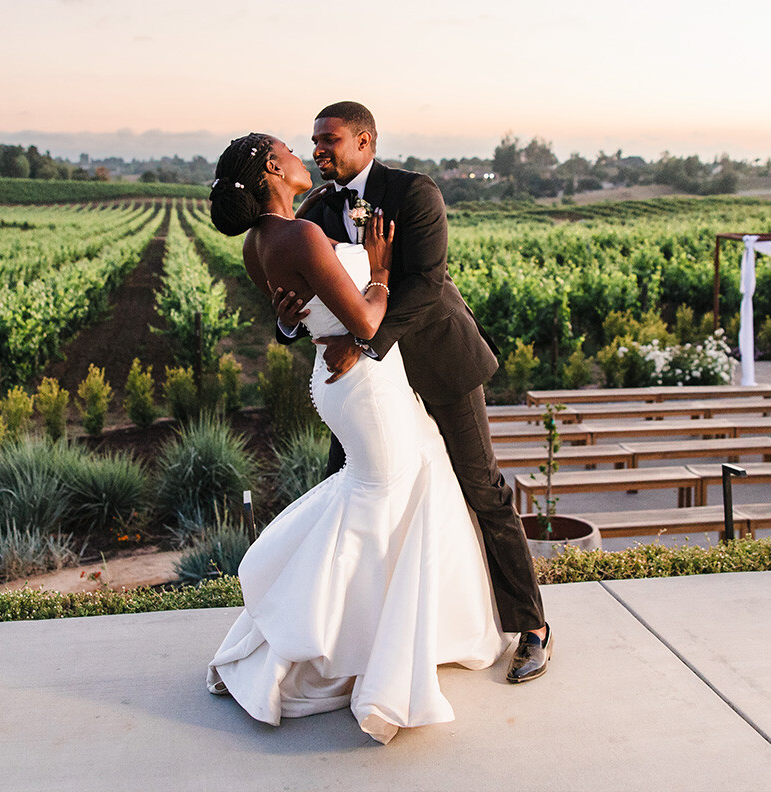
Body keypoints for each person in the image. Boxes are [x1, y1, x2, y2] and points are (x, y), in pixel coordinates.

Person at [204, 132, 507, 744]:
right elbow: (366, 320)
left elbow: (297, 313)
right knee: (386, 496)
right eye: (291, 149)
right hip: (364, 380)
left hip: (342, 377)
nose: (302, 156)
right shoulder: (303, 231)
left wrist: (293, 319)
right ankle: (347, 644)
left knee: (390, 493)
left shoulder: (261, 243)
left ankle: (380, 633)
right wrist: (382, 268)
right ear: (271, 167)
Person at [272, 102, 550, 685]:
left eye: (331, 140)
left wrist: (367, 344)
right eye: (314, 141)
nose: (319, 149)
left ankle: (531, 628)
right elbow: (310, 294)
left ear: (366, 142)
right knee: (345, 490)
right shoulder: (317, 211)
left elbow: (425, 285)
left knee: (482, 487)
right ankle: (348, 638)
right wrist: (289, 323)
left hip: (437, 361)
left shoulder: (415, 193)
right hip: (371, 385)